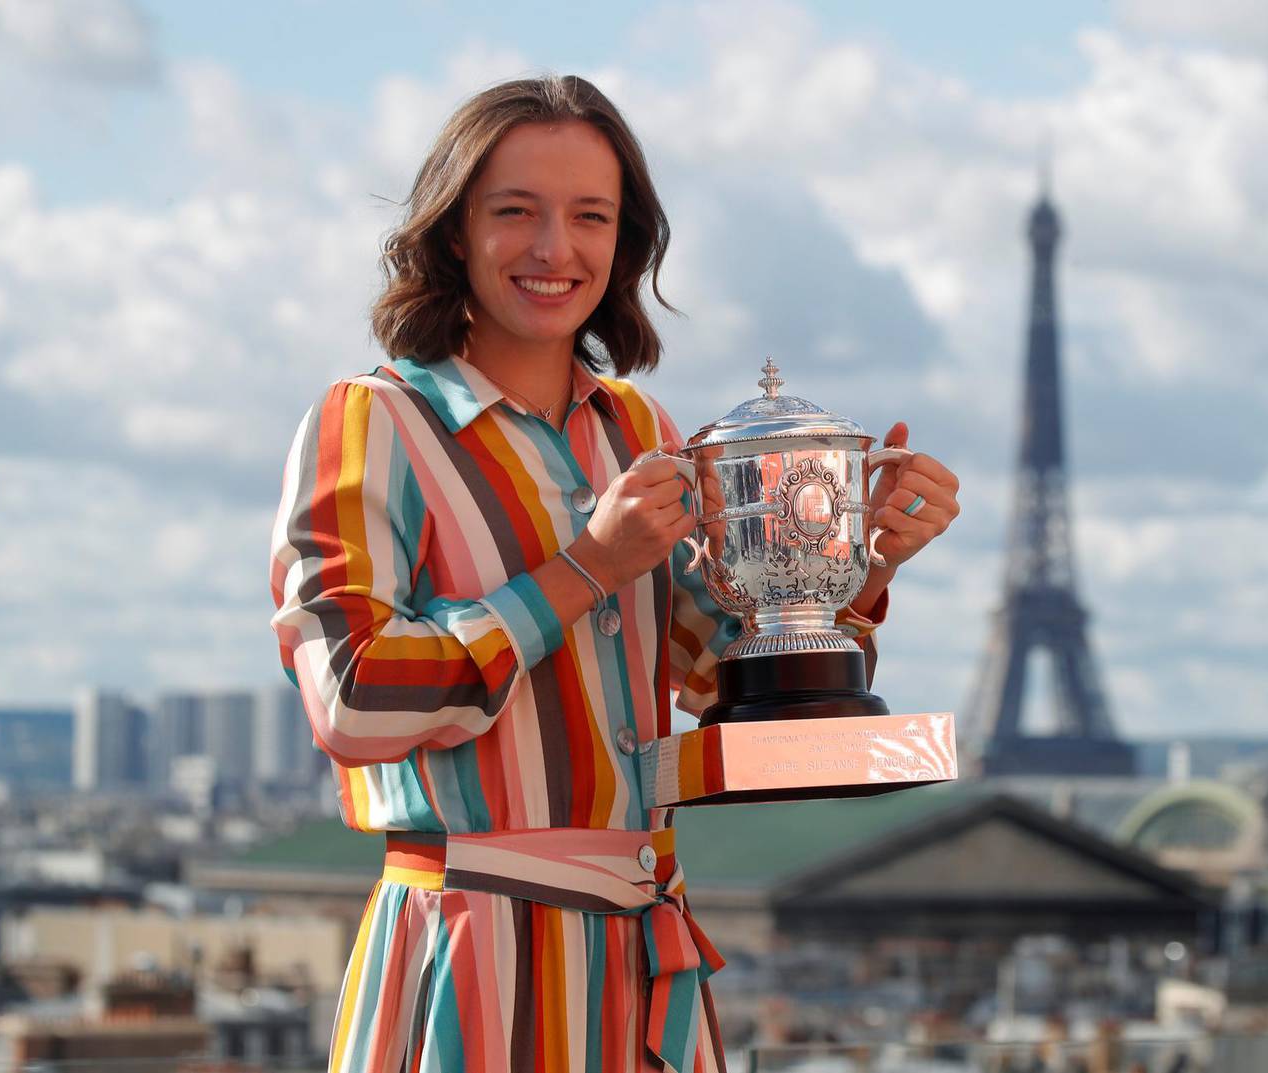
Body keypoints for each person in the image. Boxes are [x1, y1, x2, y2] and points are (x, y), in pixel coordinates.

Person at [269, 74, 960, 1073]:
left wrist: (855, 563)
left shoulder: (641, 433)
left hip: (641, 954)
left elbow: (712, 677)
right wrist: (588, 565)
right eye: (517, 212)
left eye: (590, 216)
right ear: (454, 232)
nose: (556, 249)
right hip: (475, 957)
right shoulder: (371, 423)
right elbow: (354, 701)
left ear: (623, 243)